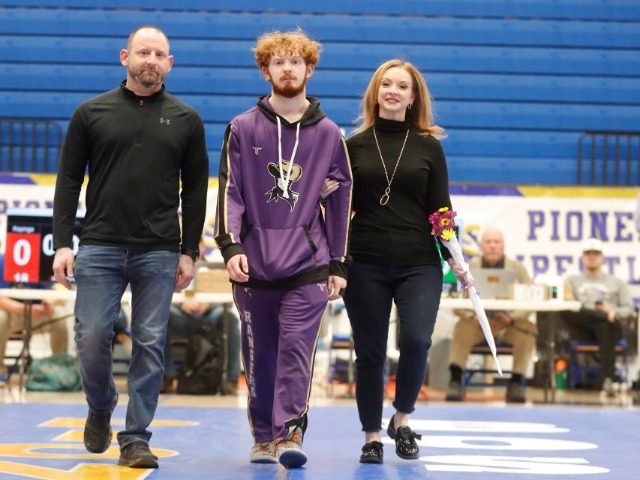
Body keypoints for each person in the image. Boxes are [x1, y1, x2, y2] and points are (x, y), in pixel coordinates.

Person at [52, 26, 208, 469]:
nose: (150, 60)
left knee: (150, 343)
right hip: (99, 245)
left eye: (159, 54)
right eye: (143, 52)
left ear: (170, 63)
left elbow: (197, 190)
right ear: (126, 57)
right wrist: (62, 244)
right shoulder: (91, 112)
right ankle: (101, 405)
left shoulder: (187, 119)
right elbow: (68, 180)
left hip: (159, 250)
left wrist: (189, 251)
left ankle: (136, 437)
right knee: (92, 337)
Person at [214, 29, 352, 468]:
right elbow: (230, 192)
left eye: (296, 61)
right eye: (279, 62)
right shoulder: (241, 127)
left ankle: (290, 431)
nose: (287, 68)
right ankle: (263, 437)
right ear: (265, 71)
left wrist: (338, 262)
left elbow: (342, 199)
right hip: (253, 263)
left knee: (296, 350)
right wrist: (230, 244)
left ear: (310, 69)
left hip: (308, 264)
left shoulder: (330, 134)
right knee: (260, 356)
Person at [342, 59, 469, 465]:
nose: (393, 91)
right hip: (365, 262)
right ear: (376, 92)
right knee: (370, 353)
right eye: (386, 84)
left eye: (402, 86)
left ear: (413, 97)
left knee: (416, 340)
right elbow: (338, 206)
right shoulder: (352, 146)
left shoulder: (429, 146)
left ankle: (402, 418)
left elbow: (441, 210)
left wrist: (456, 259)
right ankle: (371, 436)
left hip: (419, 263)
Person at [445, 226, 536, 403]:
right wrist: (474, 316)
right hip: (477, 324)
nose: (492, 246)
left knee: (528, 329)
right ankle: (455, 380)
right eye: (488, 242)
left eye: (496, 242)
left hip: (508, 325)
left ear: (503, 245)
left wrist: (511, 318)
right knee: (461, 326)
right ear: (481, 246)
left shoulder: (518, 269)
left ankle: (516, 382)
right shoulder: (467, 267)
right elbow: (456, 301)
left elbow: (530, 300)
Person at [163, 240, 241, 395]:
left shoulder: (212, 267)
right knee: (162, 316)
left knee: (230, 318)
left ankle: (231, 379)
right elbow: (162, 294)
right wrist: (181, 304)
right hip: (181, 316)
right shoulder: (171, 266)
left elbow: (224, 294)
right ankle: (166, 377)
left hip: (208, 316)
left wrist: (208, 304)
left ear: (203, 246)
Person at [560, 238, 634, 397]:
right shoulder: (572, 280)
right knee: (566, 309)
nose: (592, 256)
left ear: (602, 257)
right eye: (588, 253)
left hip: (610, 327)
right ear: (582, 257)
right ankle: (601, 317)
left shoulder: (617, 283)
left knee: (605, 325)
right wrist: (602, 315)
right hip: (583, 327)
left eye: (596, 253)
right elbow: (568, 305)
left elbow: (629, 309)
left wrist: (613, 312)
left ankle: (608, 380)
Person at [0, 254, 70, 384]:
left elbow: (55, 290)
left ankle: (60, 370)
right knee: (0, 316)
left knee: (59, 315)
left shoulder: (41, 260)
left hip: (39, 314)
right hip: (13, 314)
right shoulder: (3, 261)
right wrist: (23, 309)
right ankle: (0, 370)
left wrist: (49, 303)